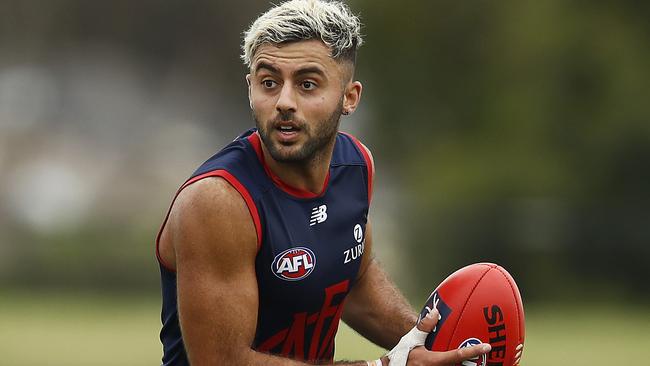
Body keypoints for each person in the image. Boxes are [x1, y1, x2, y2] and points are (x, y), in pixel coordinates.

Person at [156, 1, 491, 365]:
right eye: (269, 82)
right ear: (250, 87)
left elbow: (354, 284)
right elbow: (224, 363)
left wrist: (438, 346)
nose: (284, 101)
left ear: (349, 98)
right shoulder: (218, 202)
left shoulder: (356, 166)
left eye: (307, 84)